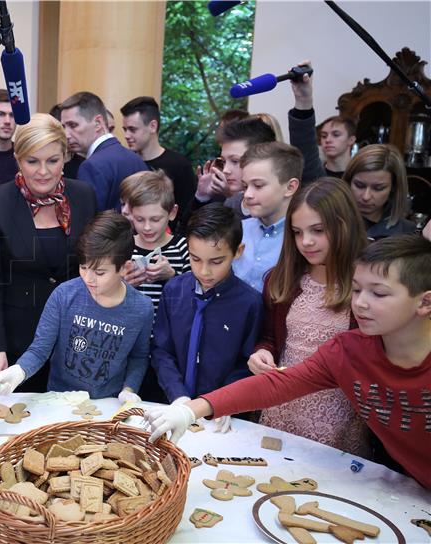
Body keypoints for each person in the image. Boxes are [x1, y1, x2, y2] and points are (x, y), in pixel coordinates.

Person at [145, 235, 431, 489]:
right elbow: (279, 384)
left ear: (425, 302)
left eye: (378, 293)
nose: (361, 303)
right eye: (356, 290)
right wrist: (189, 411)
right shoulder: (348, 350)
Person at [0, 113, 98, 393]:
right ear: (18, 158)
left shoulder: (84, 197)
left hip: (75, 337)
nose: (43, 171)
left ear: (65, 157)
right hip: (17, 340)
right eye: (32, 161)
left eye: (52, 160)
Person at [250, 178, 371, 457]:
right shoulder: (281, 278)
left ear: (345, 225)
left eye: (318, 230)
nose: (306, 241)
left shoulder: (366, 286)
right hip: (281, 410)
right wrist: (261, 353)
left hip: (336, 420)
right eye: (297, 232)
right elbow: (270, 337)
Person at [0, 211, 153, 401]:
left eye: (100, 273)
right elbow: (40, 349)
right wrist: (19, 371)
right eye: (83, 267)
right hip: (60, 399)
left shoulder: (142, 308)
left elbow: (139, 357)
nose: (88, 278)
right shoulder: (64, 295)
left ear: (124, 267)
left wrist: (129, 390)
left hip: (109, 402)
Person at [151, 203, 263, 432]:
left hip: (222, 417)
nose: (204, 271)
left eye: (216, 261)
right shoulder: (174, 290)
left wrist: (225, 401)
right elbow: (161, 350)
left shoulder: (250, 303)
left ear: (238, 252)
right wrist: (178, 395)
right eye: (195, 259)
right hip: (172, 407)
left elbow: (245, 364)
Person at [233, 141, 302, 292]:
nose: (248, 194)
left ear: (290, 187)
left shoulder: (301, 240)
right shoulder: (238, 230)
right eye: (245, 186)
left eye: (258, 185)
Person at [60, 91, 147, 211]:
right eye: (63, 127)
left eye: (73, 125)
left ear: (98, 123)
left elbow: (88, 221)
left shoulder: (92, 166)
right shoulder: (135, 159)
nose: (66, 134)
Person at [120, 96, 196, 234]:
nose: (126, 135)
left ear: (153, 126)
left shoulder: (179, 165)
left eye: (132, 129)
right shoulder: (124, 163)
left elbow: (187, 212)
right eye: (124, 129)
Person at [121, 170, 190, 313]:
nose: (147, 227)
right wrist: (123, 283)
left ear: (172, 213)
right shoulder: (121, 247)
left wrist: (171, 276)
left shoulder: (184, 248)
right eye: (139, 219)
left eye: (155, 219)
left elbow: (195, 295)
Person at [194, 117, 277, 220]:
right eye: (224, 161)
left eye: (235, 161)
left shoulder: (277, 206)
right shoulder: (222, 196)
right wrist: (202, 196)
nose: (225, 170)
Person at [341, 144, 415, 239]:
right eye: (359, 186)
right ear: (348, 182)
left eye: (378, 188)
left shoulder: (407, 232)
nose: (366, 197)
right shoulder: (330, 221)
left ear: (393, 188)